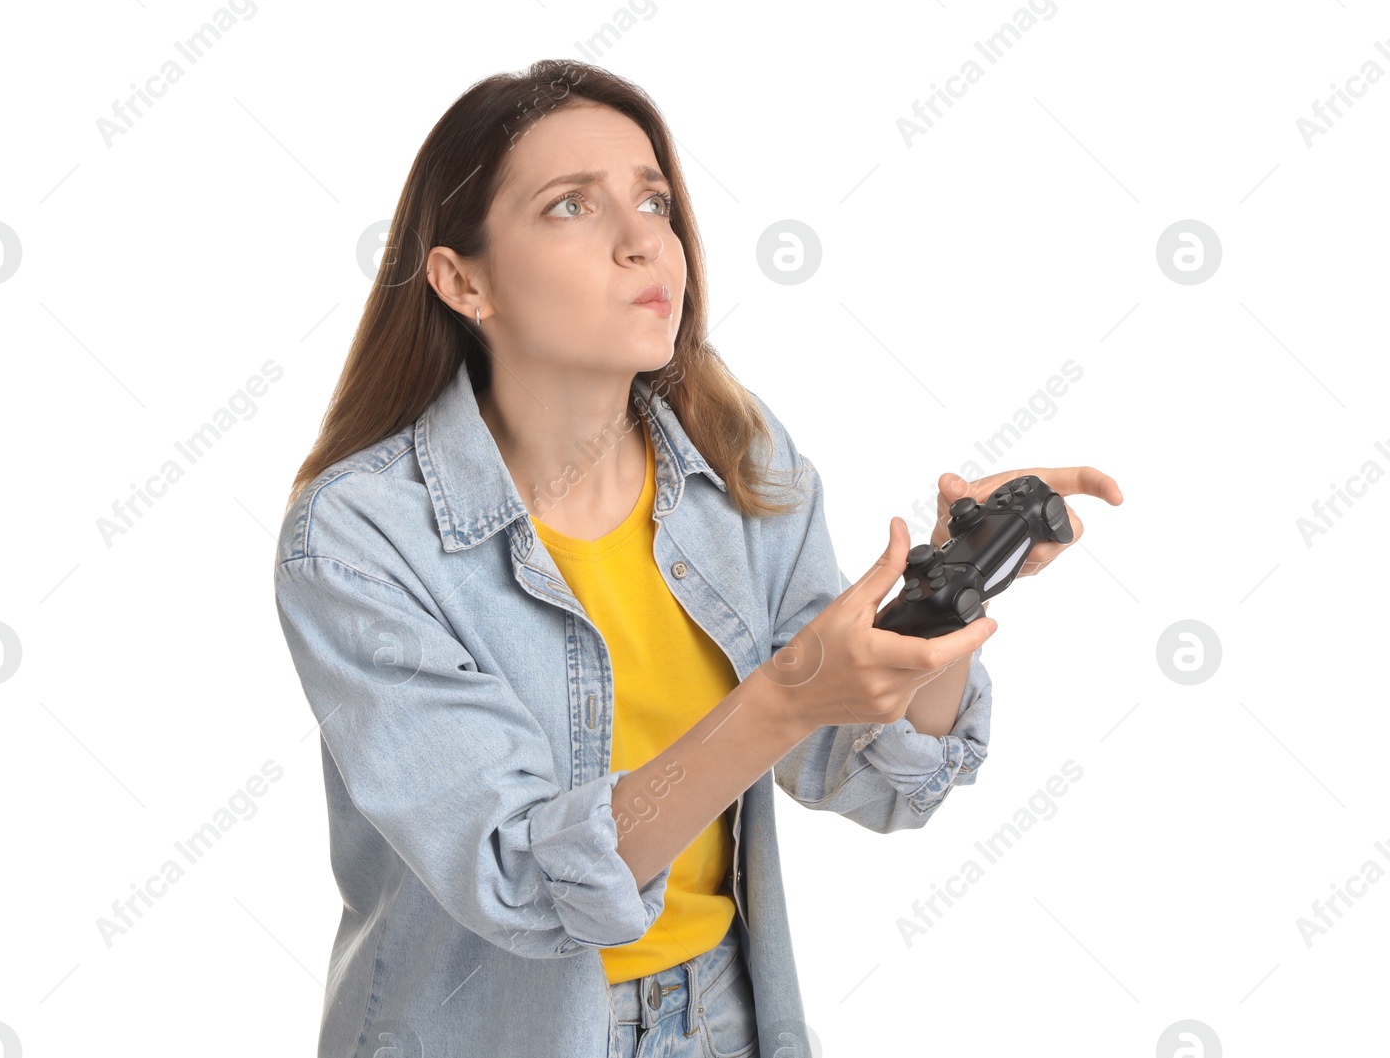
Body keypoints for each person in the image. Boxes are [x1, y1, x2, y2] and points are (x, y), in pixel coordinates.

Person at [272, 59, 1123, 1058]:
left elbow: (873, 779)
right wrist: (785, 697)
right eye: (569, 207)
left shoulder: (737, 458)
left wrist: (950, 599)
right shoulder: (362, 535)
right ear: (463, 280)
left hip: (722, 1015)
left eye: (653, 199)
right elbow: (516, 877)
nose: (642, 240)